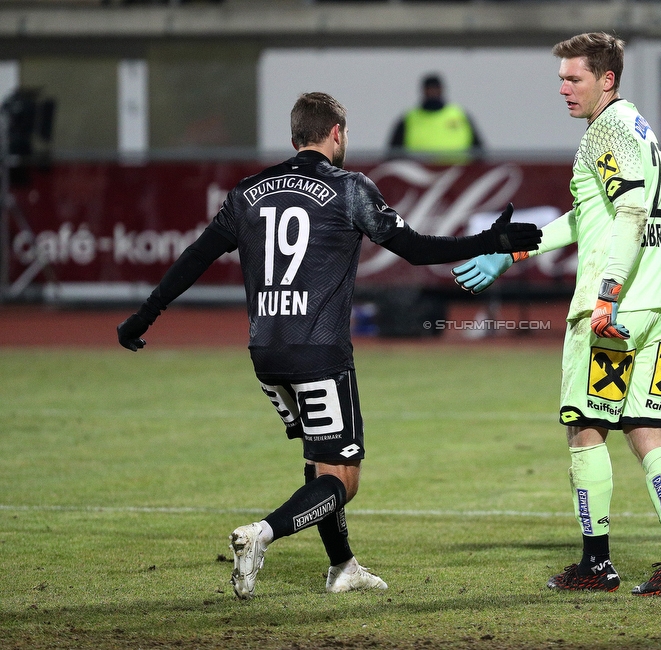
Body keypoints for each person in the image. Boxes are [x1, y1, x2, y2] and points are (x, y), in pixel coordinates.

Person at [116, 92, 541, 600]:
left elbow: (194, 258)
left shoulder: (247, 192)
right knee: (345, 478)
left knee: (319, 460)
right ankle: (261, 535)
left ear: (295, 136)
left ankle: (343, 566)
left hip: (265, 353)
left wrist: (143, 316)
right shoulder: (349, 188)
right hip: (318, 351)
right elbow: (415, 248)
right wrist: (490, 242)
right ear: (336, 133)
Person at [452, 32, 661, 596]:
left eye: (574, 79)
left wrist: (608, 294)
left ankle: (597, 564)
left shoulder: (606, 131)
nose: (563, 89)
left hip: (615, 310)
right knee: (646, 431)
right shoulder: (636, 125)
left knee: (586, 429)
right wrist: (517, 250)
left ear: (606, 79)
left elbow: (632, 209)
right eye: (561, 78)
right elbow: (591, 217)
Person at [387, 74, 484, 162]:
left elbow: (479, 151)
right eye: (429, 89)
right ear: (423, 91)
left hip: (458, 175)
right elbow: (393, 153)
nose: (432, 92)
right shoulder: (409, 118)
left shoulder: (460, 115)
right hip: (418, 175)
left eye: (435, 88)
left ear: (442, 90)